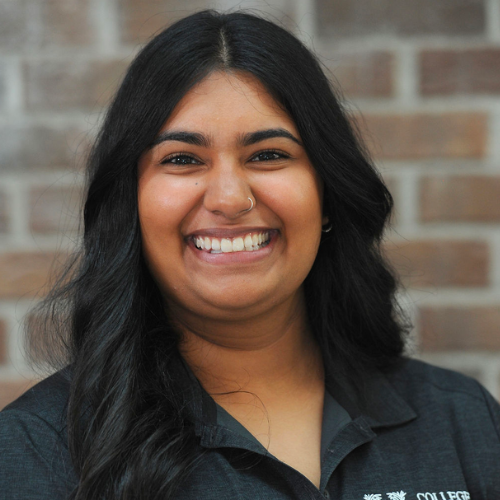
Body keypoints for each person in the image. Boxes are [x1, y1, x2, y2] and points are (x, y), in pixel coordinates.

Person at [0, 9, 499, 500]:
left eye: (268, 155)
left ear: (328, 194)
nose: (230, 198)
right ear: (130, 205)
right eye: (182, 159)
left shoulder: (461, 422)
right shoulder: (35, 451)